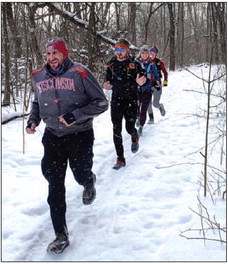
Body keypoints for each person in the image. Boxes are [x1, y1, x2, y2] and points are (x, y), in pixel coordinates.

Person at [26, 38, 108, 254]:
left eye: (56, 54)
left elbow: (101, 103)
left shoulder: (80, 73)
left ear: (64, 53)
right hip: (52, 137)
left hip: (80, 135)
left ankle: (88, 181)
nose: (52, 58)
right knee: (54, 184)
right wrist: (33, 120)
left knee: (80, 173)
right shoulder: (38, 76)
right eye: (48, 54)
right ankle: (60, 234)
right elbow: (37, 101)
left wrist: (74, 116)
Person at [103, 38, 146, 170]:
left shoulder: (134, 63)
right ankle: (120, 158)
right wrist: (107, 84)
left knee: (128, 128)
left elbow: (143, 78)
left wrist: (140, 82)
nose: (119, 52)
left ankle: (134, 135)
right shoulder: (111, 64)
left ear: (127, 50)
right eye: (117, 49)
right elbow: (108, 79)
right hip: (116, 100)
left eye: (122, 50)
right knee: (116, 128)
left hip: (131, 100)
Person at [136, 45, 160, 136]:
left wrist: (157, 83)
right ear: (140, 54)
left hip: (147, 89)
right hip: (137, 89)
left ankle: (141, 126)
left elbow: (156, 75)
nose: (145, 55)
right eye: (143, 53)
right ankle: (137, 118)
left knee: (144, 108)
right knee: (136, 106)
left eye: (146, 53)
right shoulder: (135, 63)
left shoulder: (151, 64)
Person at [147, 45, 168, 123]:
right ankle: (151, 118)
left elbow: (165, 72)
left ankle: (160, 106)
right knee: (148, 102)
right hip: (148, 85)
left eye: (153, 53)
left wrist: (165, 81)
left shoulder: (159, 63)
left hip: (157, 84)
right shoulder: (146, 62)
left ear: (155, 55)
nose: (151, 55)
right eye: (150, 53)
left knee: (155, 104)